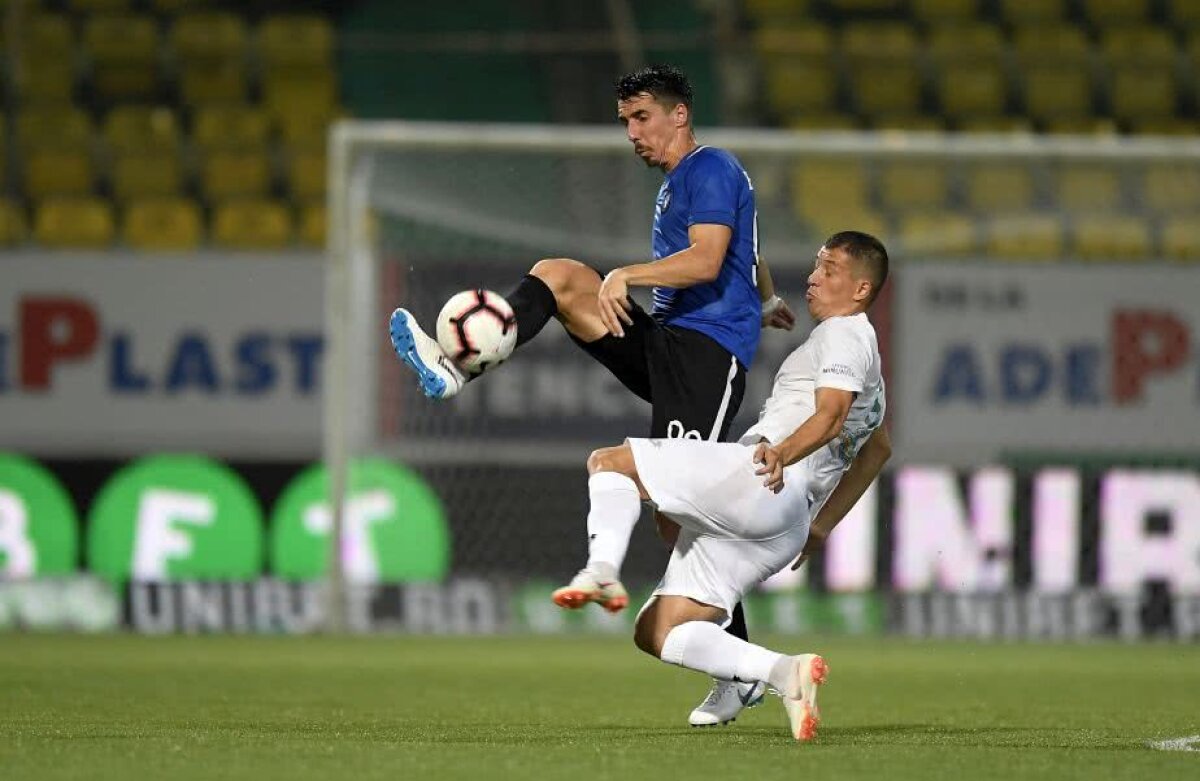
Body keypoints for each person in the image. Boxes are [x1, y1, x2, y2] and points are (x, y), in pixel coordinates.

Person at [388, 64, 795, 726]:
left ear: (678, 116)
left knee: (679, 515)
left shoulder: (711, 166)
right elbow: (746, 251)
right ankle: (461, 368)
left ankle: (739, 664)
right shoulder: (683, 185)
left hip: (705, 357)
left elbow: (711, 258)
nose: (631, 133)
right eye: (625, 122)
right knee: (561, 277)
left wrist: (630, 273)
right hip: (669, 341)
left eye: (641, 118)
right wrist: (771, 296)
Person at [551, 231, 892, 741]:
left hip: (765, 478)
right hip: (785, 523)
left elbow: (832, 414)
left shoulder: (846, 334)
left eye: (829, 269)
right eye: (817, 265)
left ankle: (600, 570)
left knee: (611, 463)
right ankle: (782, 673)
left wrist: (781, 452)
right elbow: (878, 448)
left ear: (861, 289)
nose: (814, 277)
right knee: (658, 630)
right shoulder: (868, 360)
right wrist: (820, 527)